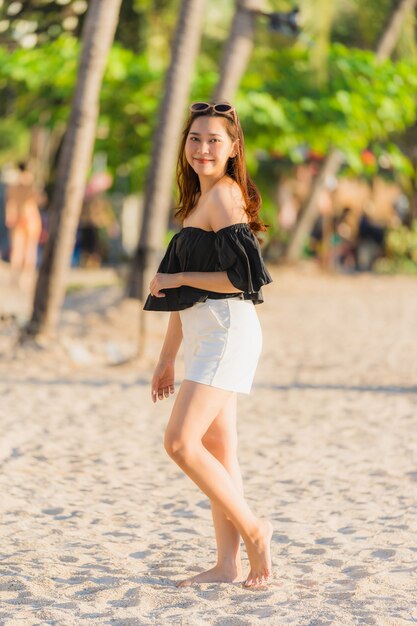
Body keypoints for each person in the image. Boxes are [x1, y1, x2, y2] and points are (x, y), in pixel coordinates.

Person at [143, 101, 274, 589]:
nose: (202, 148)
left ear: (233, 148)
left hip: (226, 332)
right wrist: (166, 357)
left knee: (179, 442)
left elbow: (243, 279)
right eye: (195, 138)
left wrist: (174, 273)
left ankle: (254, 528)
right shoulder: (197, 202)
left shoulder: (223, 197)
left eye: (214, 140)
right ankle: (227, 564)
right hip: (203, 332)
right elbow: (188, 295)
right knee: (219, 450)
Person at [5, 162, 42, 288]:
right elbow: (11, 202)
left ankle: (23, 276)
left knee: (25, 249)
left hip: (27, 218)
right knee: (20, 249)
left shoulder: (25, 186)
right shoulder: (19, 186)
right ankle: (19, 276)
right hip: (24, 218)